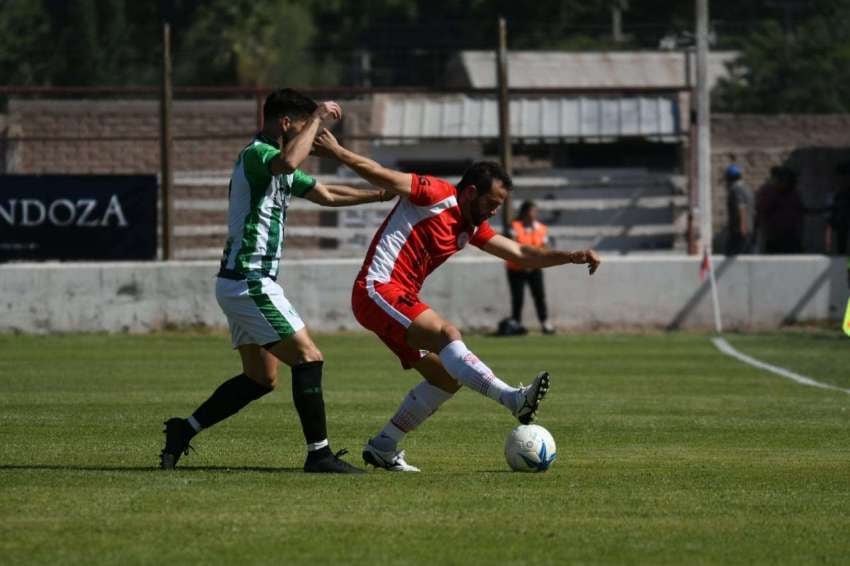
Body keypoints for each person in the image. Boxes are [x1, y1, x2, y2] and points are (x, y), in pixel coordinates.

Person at [313, 128, 601, 472]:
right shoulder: (434, 193)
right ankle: (513, 399)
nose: (494, 212)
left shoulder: (471, 226)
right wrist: (339, 152)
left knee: (446, 379)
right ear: (470, 192)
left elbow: (522, 253)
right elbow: (382, 175)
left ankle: (383, 447)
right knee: (448, 333)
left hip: (395, 299)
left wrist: (571, 256)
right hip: (377, 289)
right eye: (492, 204)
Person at [160, 89, 390, 474]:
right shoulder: (259, 155)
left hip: (240, 281)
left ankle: (184, 429)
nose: (310, 139)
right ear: (285, 124)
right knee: (309, 357)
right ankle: (319, 455)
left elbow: (329, 194)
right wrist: (318, 116)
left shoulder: (277, 164)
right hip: (250, 280)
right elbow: (287, 159)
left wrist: (384, 194)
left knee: (260, 379)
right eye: (302, 129)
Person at [505, 200, 555, 334]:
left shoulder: (541, 228)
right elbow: (513, 245)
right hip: (516, 267)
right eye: (533, 211)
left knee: (539, 295)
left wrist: (533, 262)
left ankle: (545, 322)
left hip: (534, 267)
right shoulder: (515, 226)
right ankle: (516, 323)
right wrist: (525, 261)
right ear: (525, 212)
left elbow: (545, 247)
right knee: (518, 297)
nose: (535, 214)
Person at [756, 166, 804, 254]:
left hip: (791, 237)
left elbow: (799, 214)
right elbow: (762, 211)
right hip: (775, 237)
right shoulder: (770, 192)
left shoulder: (794, 195)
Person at [724, 164, 754, 255]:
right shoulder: (746, 188)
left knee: (733, 254)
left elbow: (741, 207)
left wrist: (742, 226)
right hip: (748, 229)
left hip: (739, 231)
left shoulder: (736, 189)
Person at [826, 161, 850, 255]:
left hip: (844, 226)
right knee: (842, 252)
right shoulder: (837, 194)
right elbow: (832, 211)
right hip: (841, 227)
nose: (841, 181)